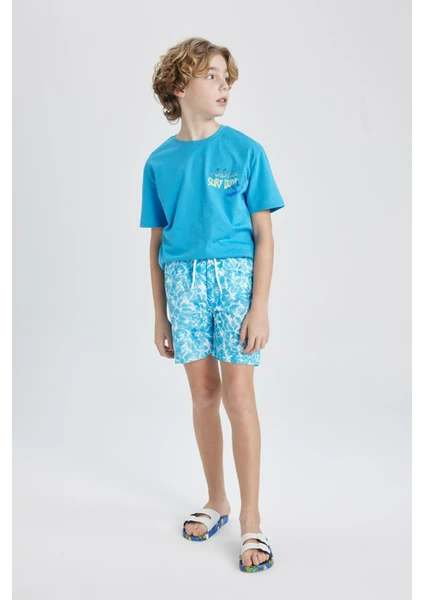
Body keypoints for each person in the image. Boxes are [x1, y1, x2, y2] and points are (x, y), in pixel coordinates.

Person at [139, 37, 285, 573]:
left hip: (234, 281)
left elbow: (264, 236)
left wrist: (259, 306)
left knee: (239, 396)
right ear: (180, 87)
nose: (224, 86)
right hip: (183, 284)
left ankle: (252, 519)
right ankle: (217, 500)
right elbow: (156, 243)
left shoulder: (246, 151)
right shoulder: (159, 162)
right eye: (212, 76)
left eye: (227, 78)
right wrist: (160, 313)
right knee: (203, 394)